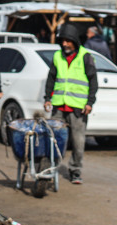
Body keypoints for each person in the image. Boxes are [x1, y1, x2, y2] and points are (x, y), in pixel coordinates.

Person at [42, 24, 99, 185]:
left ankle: (75, 170)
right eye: (63, 41)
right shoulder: (57, 57)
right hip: (59, 105)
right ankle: (50, 169)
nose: (65, 44)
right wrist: (47, 98)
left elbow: (93, 81)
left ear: (75, 41)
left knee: (78, 141)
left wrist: (90, 102)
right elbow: (51, 78)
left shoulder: (85, 57)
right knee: (55, 139)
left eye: (68, 41)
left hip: (78, 107)